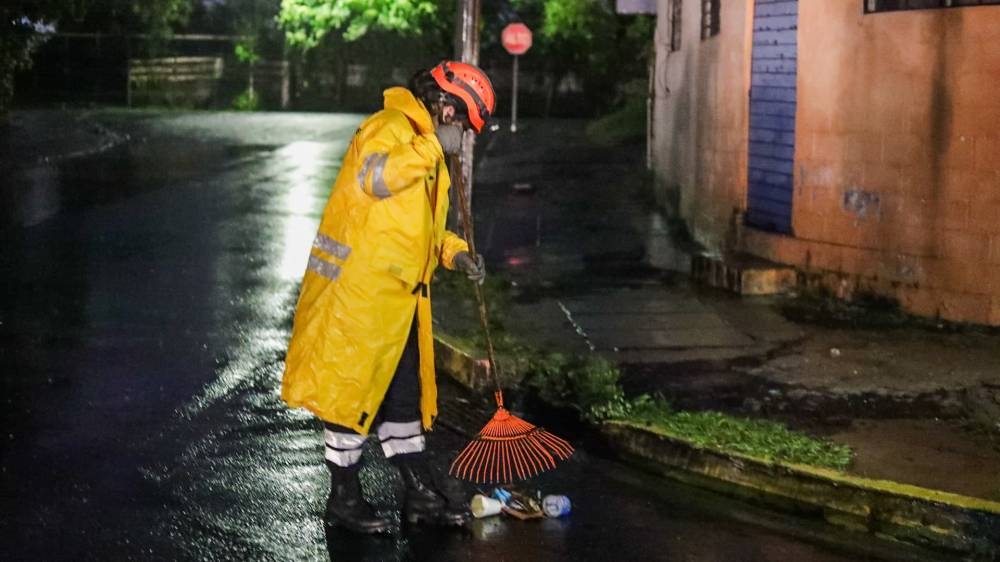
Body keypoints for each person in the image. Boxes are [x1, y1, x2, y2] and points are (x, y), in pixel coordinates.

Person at [281, 61, 496, 534]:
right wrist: (432, 148)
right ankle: (343, 499)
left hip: (399, 300)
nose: (459, 130)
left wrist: (456, 254)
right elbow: (374, 179)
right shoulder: (389, 128)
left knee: (403, 400)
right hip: (360, 295)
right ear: (444, 104)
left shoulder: (423, 145)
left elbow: (423, 229)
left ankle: (419, 493)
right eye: (460, 119)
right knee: (349, 398)